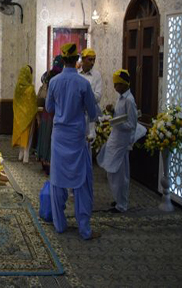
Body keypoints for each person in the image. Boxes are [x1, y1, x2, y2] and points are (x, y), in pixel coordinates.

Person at [46, 43, 99, 240]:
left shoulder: (54, 82)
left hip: (59, 136)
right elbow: (92, 113)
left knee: (58, 180)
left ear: (62, 59)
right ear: (77, 60)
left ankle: (60, 225)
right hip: (77, 137)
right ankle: (84, 229)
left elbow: (50, 108)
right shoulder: (83, 84)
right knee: (81, 182)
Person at [97, 69, 137, 213]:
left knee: (121, 175)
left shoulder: (129, 100)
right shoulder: (121, 98)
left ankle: (122, 205)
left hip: (122, 142)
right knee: (112, 173)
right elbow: (120, 117)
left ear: (124, 84)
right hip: (115, 140)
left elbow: (131, 124)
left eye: (117, 85)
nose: (115, 88)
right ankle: (118, 199)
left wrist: (115, 122)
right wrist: (113, 112)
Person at [36, 55, 64, 174]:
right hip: (56, 112)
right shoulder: (61, 78)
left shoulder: (48, 76)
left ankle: (44, 162)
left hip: (47, 112)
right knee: (51, 138)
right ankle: (50, 163)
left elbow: (42, 97)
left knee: (45, 137)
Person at [12, 65, 37, 163]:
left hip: (18, 115)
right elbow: (33, 103)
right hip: (28, 116)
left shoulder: (18, 87)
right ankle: (25, 157)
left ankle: (20, 155)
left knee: (21, 134)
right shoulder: (30, 89)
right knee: (28, 135)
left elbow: (15, 101)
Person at [79, 48, 103, 144]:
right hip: (78, 115)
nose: (92, 63)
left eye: (94, 60)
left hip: (90, 115)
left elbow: (98, 97)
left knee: (88, 143)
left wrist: (85, 95)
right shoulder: (77, 74)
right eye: (90, 59)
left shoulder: (96, 75)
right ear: (83, 59)